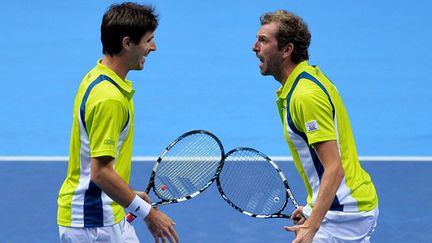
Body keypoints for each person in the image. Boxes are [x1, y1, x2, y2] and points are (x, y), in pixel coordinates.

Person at [252, 10, 379, 242]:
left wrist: (313, 224)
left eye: (263, 40)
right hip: (345, 205)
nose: (254, 47)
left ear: (286, 50)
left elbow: (334, 167)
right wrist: (312, 205)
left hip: (343, 212)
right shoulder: (305, 80)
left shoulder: (305, 96)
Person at [57, 3, 179, 243]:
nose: (153, 48)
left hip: (103, 214)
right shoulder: (109, 98)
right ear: (127, 43)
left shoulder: (97, 76)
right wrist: (148, 213)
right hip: (94, 225)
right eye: (148, 40)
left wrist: (126, 196)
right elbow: (101, 173)